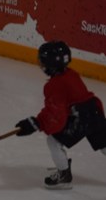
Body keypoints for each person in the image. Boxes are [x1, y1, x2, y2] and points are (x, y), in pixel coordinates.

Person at [14, 41, 106, 189]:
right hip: (94, 111)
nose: (40, 64)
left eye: (42, 61)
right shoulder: (71, 73)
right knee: (104, 145)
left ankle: (64, 175)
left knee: (53, 141)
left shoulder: (54, 85)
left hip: (81, 117)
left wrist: (36, 123)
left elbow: (55, 114)